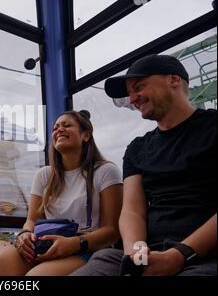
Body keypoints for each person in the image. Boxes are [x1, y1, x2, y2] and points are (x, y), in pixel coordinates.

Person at [71, 54, 217, 276]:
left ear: (174, 80)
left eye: (138, 87)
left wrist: (180, 254)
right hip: (150, 252)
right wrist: (137, 256)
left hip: (207, 256)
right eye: (129, 93)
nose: (132, 99)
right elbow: (132, 210)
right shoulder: (138, 148)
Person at [0, 110, 123, 276]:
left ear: (86, 135)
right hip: (46, 244)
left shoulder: (105, 171)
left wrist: (75, 243)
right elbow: (31, 221)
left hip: (86, 249)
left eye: (67, 125)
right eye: (55, 127)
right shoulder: (44, 175)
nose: (59, 130)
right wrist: (25, 234)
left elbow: (112, 231)